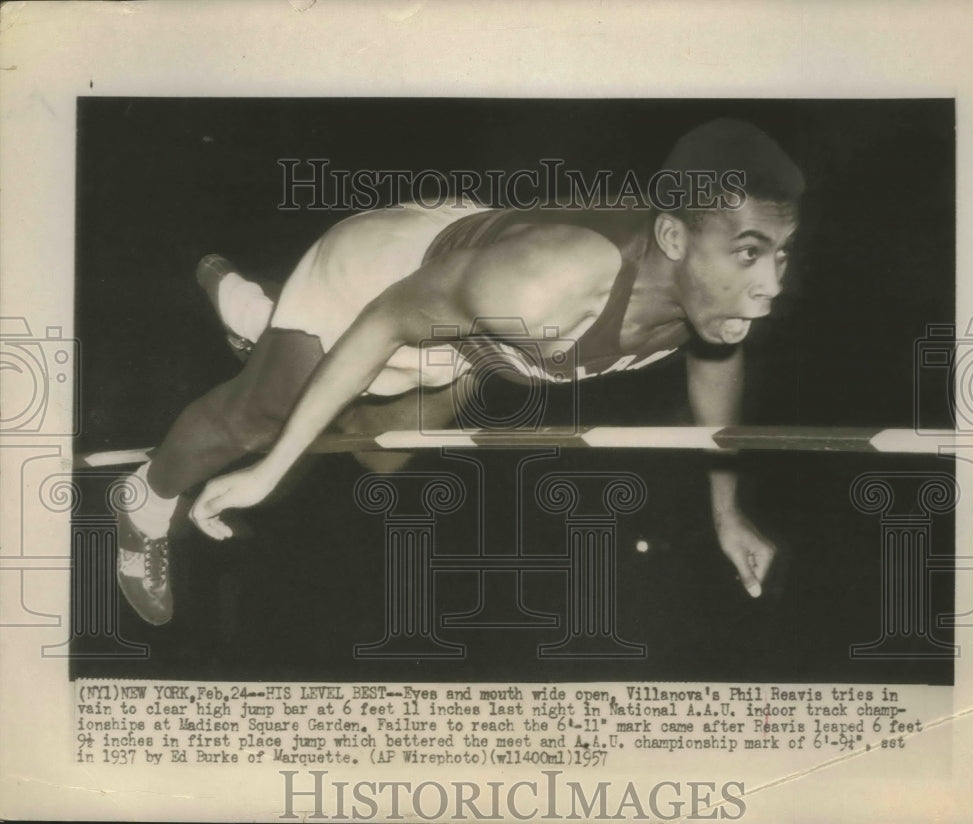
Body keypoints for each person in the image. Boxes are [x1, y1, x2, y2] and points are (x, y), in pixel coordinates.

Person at [116, 118, 803, 626]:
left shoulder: (708, 304)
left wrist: (725, 514)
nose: (772, 284)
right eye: (748, 254)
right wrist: (266, 471)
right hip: (382, 284)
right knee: (258, 421)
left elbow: (716, 367)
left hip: (475, 332)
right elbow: (385, 321)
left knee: (378, 459)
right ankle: (142, 500)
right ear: (675, 240)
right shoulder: (547, 286)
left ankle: (265, 319)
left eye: (780, 253)